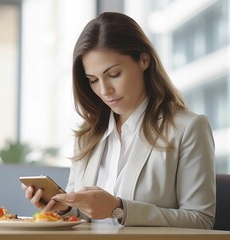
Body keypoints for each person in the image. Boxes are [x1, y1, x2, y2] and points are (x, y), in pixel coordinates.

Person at [21, 12, 215, 229]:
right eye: (93, 80)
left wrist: (119, 208)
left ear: (144, 60)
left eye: (114, 74)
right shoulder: (87, 135)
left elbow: (201, 221)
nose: (104, 91)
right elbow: (84, 217)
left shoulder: (188, 128)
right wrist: (64, 208)